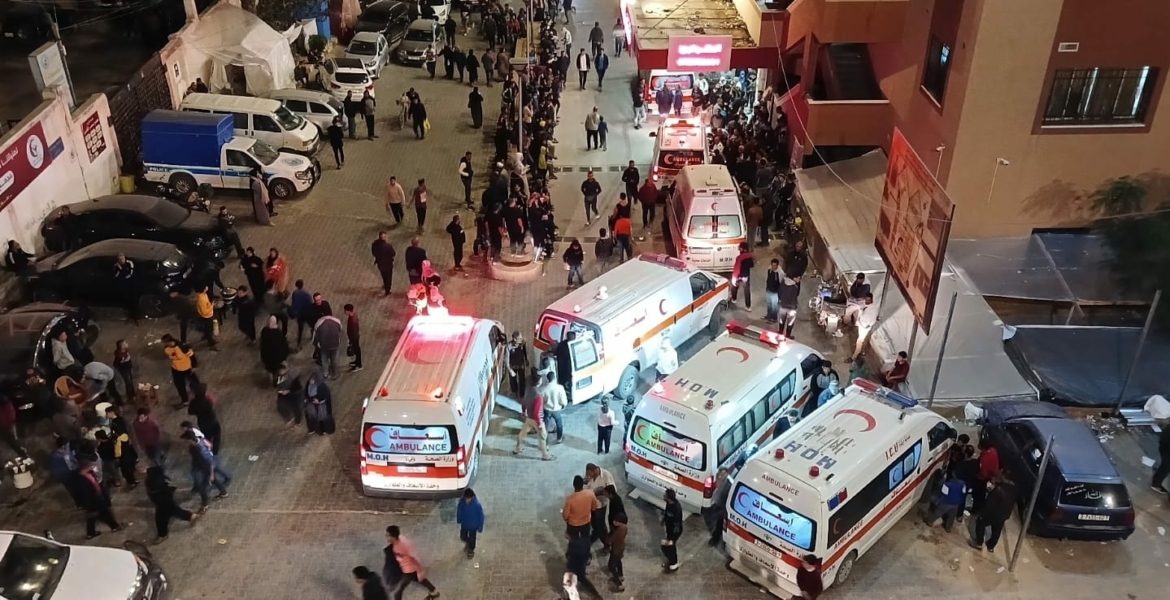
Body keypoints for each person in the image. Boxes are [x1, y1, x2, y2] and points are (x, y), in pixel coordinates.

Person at [385, 525, 441, 599]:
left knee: (397, 591)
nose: (386, 537)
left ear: (394, 537)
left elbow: (415, 557)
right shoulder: (398, 540)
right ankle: (434, 592)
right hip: (406, 568)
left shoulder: (405, 545)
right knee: (419, 579)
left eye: (388, 535)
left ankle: (434, 592)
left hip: (409, 571)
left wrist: (421, 570)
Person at [145, 466, 198, 544]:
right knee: (175, 511)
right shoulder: (161, 479)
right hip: (166, 500)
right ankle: (191, 516)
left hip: (162, 503)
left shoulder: (153, 482)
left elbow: (155, 491)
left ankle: (162, 535)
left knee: (160, 520)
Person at [183, 429, 230, 511]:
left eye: (186, 441)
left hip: (205, 468)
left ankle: (205, 504)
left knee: (202, 487)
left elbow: (210, 462)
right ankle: (224, 493)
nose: (185, 442)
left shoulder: (200, 450)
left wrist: (211, 474)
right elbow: (209, 445)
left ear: (190, 440)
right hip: (201, 466)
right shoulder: (199, 441)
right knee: (214, 480)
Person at [969, 475, 1017, 552]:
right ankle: (991, 546)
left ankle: (979, 543)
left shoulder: (998, 489)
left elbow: (990, 504)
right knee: (997, 531)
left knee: (980, 524)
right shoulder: (1013, 490)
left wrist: (982, 513)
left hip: (992, 514)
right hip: (1003, 515)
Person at [75, 461, 122, 539]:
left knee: (93, 516)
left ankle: (91, 533)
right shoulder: (81, 479)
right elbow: (85, 493)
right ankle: (114, 526)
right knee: (104, 512)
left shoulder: (89, 473)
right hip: (92, 500)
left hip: (96, 497)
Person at [514, 378, 554, 460]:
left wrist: (524, 411)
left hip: (529, 418)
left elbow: (523, 402)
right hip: (536, 420)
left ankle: (518, 448)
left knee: (522, 433)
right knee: (542, 436)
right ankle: (545, 455)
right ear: (539, 382)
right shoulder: (538, 395)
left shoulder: (528, 391)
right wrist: (539, 423)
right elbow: (537, 411)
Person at [162, 334, 198, 407]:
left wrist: (194, 366)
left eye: (165, 342)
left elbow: (191, 355)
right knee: (180, 386)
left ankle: (199, 394)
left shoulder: (182, 347)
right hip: (176, 369)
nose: (164, 344)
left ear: (169, 341)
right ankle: (185, 401)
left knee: (194, 381)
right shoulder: (167, 348)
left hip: (187, 368)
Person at [585, 463, 615, 548]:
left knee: (601, 525)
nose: (588, 476)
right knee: (593, 522)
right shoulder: (589, 476)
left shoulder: (606, 475)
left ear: (594, 471)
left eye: (589, 474)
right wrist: (585, 482)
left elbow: (613, 491)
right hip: (591, 504)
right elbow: (586, 486)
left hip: (600, 505)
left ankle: (606, 544)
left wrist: (599, 492)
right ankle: (595, 534)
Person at [972, 437, 1001, 514]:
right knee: (982, 494)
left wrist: (977, 476)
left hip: (984, 478)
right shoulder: (993, 451)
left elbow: (983, 473)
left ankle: (975, 510)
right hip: (991, 476)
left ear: (982, 447)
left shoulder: (984, 459)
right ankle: (980, 508)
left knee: (978, 495)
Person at [313, 309, 343, 380]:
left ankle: (325, 374)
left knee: (324, 360)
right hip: (335, 344)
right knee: (334, 359)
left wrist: (316, 344)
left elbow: (315, 335)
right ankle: (334, 373)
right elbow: (340, 329)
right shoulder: (337, 321)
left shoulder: (319, 322)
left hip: (324, 345)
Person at [704, 468, 732, 546]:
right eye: (720, 474)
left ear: (727, 474)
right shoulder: (719, 481)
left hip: (723, 508)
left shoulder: (729, 484)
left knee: (719, 524)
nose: (721, 476)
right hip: (716, 504)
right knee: (712, 521)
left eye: (723, 474)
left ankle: (716, 539)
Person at [259, 316, 289, 386]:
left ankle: (273, 379)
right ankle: (277, 381)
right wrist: (284, 356)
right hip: (278, 357)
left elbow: (262, 344)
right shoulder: (279, 333)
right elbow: (284, 345)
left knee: (272, 370)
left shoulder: (264, 332)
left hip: (267, 357)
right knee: (278, 369)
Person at [540, 372, 568, 444]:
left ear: (548, 379)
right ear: (554, 378)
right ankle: (559, 438)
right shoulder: (560, 388)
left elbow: (542, 401)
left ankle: (545, 442)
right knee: (559, 424)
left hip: (547, 409)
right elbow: (563, 400)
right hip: (556, 409)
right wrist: (563, 405)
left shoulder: (544, 389)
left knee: (545, 426)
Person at [456, 488, 485, 558]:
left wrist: (480, 526)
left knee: (472, 538)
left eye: (469, 499)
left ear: (472, 497)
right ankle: (468, 542)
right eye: (466, 498)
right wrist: (459, 519)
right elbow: (459, 511)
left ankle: (471, 550)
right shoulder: (461, 502)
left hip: (473, 526)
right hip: (464, 524)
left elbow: (481, 516)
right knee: (463, 537)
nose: (467, 500)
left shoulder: (477, 505)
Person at [304, 370, 335, 435]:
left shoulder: (322, 386)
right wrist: (307, 399)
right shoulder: (308, 384)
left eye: (312, 380)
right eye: (310, 380)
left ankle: (325, 430)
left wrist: (319, 401)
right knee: (312, 416)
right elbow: (306, 393)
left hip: (322, 405)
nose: (311, 382)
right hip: (313, 404)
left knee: (323, 417)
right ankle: (316, 429)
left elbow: (326, 396)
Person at [661, 488, 683, 571]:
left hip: (675, 532)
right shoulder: (668, 504)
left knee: (669, 547)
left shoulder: (677, 508)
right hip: (669, 530)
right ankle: (671, 561)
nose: (663, 496)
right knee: (667, 547)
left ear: (669, 498)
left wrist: (672, 539)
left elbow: (677, 525)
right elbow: (666, 513)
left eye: (665, 495)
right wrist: (663, 520)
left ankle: (674, 563)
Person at [730, 243, 754, 310]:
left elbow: (737, 268)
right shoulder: (749, 256)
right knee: (747, 291)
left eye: (740, 248)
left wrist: (734, 277)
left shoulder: (740, 258)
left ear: (743, 249)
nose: (739, 249)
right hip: (746, 276)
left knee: (734, 287)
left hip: (739, 276)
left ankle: (734, 299)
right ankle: (748, 306)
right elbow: (752, 265)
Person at [506, 332, 530, 399]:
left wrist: (526, 360)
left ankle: (522, 394)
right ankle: (514, 392)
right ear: (515, 339)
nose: (521, 339)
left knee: (522, 379)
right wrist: (510, 370)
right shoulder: (509, 346)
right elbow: (506, 360)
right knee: (513, 381)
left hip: (521, 365)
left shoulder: (522, 343)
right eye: (520, 338)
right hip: (513, 366)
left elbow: (524, 352)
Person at [1152, 423, 1170, 494]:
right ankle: (1156, 484)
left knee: (1165, 466)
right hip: (1167, 448)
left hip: (1164, 445)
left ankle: (1156, 483)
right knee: (1166, 467)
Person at [344, 304, 362, 372]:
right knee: (357, 350)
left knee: (357, 350)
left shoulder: (352, 320)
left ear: (348, 311)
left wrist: (351, 341)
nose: (344, 312)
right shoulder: (353, 315)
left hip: (354, 338)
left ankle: (359, 365)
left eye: (345, 310)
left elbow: (353, 331)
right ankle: (357, 361)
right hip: (355, 337)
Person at [764, 258, 782, 322]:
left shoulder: (779, 273)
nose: (774, 267)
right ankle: (769, 316)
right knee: (769, 304)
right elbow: (768, 279)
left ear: (777, 265)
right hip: (769, 290)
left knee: (774, 306)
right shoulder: (769, 270)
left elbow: (781, 283)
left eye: (775, 265)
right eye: (772, 265)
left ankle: (774, 318)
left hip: (775, 292)